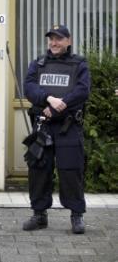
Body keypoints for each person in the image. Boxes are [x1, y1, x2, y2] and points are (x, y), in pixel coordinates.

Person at [23, 25, 91, 234]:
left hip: (68, 126)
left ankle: (76, 216)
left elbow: (82, 90)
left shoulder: (79, 64)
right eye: (51, 39)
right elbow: (29, 87)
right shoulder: (38, 64)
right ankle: (39, 215)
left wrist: (60, 105)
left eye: (59, 39)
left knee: (71, 170)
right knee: (39, 170)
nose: (54, 43)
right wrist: (48, 99)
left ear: (68, 41)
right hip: (43, 125)